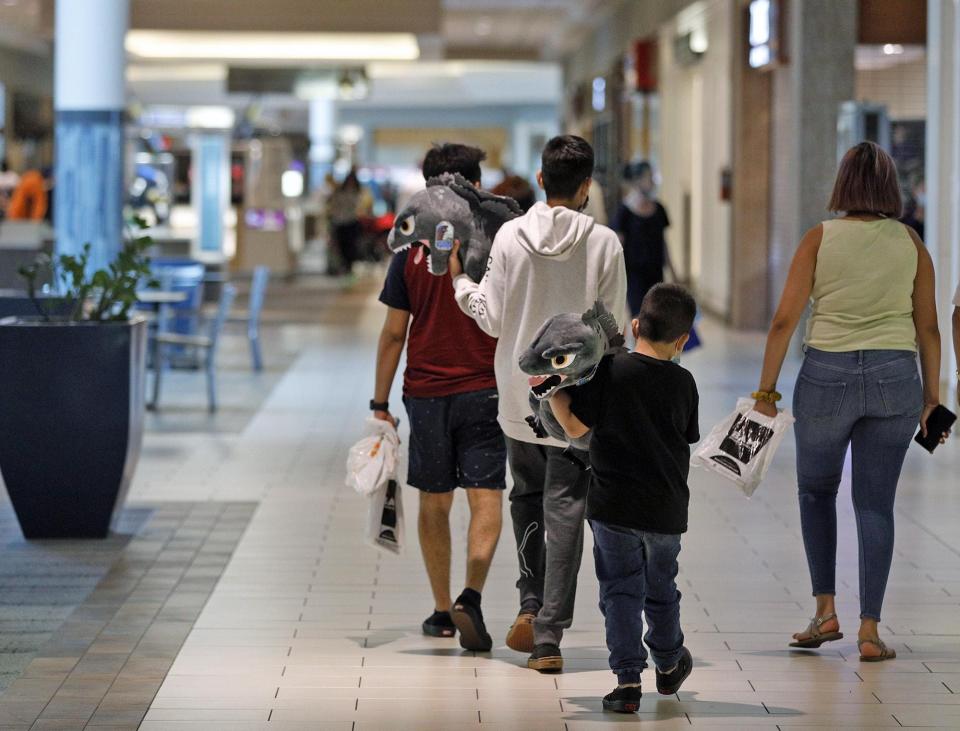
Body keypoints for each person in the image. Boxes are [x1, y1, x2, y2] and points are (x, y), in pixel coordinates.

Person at [753, 142, 948, 662]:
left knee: (816, 492)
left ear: (842, 185)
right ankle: (869, 631)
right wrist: (933, 398)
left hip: (826, 376)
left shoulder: (820, 237)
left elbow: (783, 321)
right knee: (874, 504)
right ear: (891, 188)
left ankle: (824, 611)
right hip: (894, 377)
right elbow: (927, 326)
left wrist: (766, 393)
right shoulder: (911, 242)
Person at [449, 135, 627, 672]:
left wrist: (462, 284)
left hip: (518, 391)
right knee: (568, 506)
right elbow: (611, 330)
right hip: (580, 394)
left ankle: (530, 604)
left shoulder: (508, 236)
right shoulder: (604, 243)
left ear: (542, 179)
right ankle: (548, 633)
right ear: (588, 185)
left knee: (526, 496)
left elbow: (495, 318)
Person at [373, 142, 504, 652]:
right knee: (486, 494)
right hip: (487, 386)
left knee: (435, 498)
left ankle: (442, 611)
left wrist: (377, 403)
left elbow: (392, 333)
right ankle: (473, 594)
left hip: (426, 391)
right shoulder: (495, 242)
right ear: (476, 184)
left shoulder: (410, 251)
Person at [547, 284, 699, 712]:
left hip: (614, 508)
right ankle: (669, 663)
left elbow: (577, 430)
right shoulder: (685, 383)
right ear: (682, 340)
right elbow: (687, 436)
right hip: (666, 511)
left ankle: (628, 682)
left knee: (619, 593)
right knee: (661, 588)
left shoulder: (609, 372)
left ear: (635, 326)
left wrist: (555, 396)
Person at [612, 161, 675, 317]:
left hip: (656, 274)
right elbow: (618, 246)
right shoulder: (624, 212)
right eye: (648, 177)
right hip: (634, 276)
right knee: (639, 317)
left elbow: (664, 243)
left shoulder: (659, 209)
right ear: (637, 180)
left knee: (655, 317)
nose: (652, 182)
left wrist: (674, 273)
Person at [327, 170, 371, 276]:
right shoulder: (339, 192)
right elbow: (333, 205)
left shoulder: (358, 192)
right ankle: (344, 266)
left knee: (351, 246)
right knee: (341, 246)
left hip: (351, 222)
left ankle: (349, 266)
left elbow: (362, 206)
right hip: (340, 222)